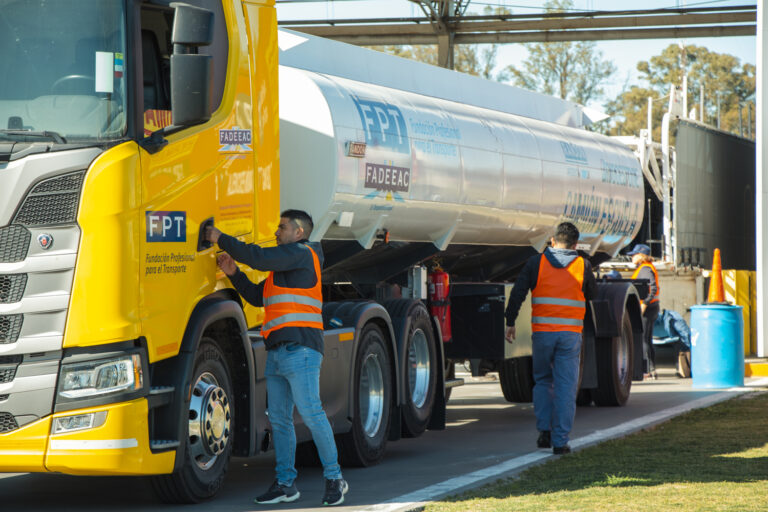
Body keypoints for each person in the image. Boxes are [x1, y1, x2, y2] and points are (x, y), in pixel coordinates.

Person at [205, 210, 349, 507]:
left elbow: (258, 256)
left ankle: (335, 479)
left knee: (311, 414)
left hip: (301, 350)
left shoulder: (302, 253)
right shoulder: (286, 270)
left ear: (299, 232)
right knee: (281, 421)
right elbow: (260, 297)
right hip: (278, 352)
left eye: (282, 227)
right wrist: (234, 274)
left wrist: (220, 238)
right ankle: (285, 484)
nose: (276, 231)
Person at [504, 222, 597, 455]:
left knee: (544, 381)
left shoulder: (537, 263)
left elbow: (518, 292)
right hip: (570, 336)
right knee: (566, 387)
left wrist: (510, 321)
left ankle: (544, 430)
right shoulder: (583, 265)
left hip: (543, 334)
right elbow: (593, 295)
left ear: (552, 241)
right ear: (575, 245)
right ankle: (560, 441)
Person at [627, 243, 661, 380]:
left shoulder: (645, 269)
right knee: (647, 339)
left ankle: (647, 369)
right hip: (652, 307)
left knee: (643, 339)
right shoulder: (645, 268)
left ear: (641, 255)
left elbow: (652, 288)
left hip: (648, 308)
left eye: (634, 255)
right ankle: (652, 369)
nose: (631, 257)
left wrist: (644, 304)